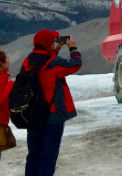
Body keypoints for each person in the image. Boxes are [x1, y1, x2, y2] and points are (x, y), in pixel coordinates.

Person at [21, 30, 81, 176]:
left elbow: (44, 62)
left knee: (34, 156)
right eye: (53, 42)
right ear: (49, 44)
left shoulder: (28, 61)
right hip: (52, 116)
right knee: (48, 158)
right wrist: (73, 48)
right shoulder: (54, 63)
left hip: (34, 116)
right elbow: (74, 65)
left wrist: (55, 50)